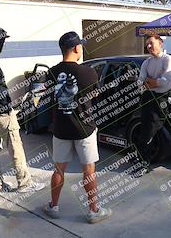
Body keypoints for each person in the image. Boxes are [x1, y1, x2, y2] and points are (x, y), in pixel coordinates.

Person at [41, 31, 112, 224]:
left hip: (61, 129)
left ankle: (53, 207)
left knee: (58, 170)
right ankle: (93, 211)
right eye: (80, 45)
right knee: (89, 170)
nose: (81, 48)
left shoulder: (52, 72)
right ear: (76, 48)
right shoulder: (89, 72)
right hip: (84, 129)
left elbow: (50, 96)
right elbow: (94, 96)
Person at [0, 25, 45, 194]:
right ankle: (24, 183)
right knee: (15, 146)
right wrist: (6, 107)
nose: (3, 44)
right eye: (1, 40)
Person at [132, 34, 171, 177]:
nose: (149, 47)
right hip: (147, 98)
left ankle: (144, 162)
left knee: (150, 130)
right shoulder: (146, 62)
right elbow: (140, 82)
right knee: (145, 129)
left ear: (161, 43)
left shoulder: (168, 60)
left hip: (161, 99)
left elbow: (165, 82)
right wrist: (152, 82)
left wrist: (149, 82)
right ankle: (141, 159)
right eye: (147, 45)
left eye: (151, 43)